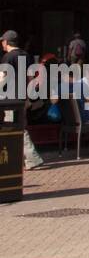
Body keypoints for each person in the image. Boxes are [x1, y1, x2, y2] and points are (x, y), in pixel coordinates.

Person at [0, 30, 43, 169]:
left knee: (15, 128)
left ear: (6, 42)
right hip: (22, 97)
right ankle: (21, 159)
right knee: (19, 126)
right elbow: (30, 78)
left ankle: (32, 158)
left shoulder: (8, 57)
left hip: (10, 99)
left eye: (2, 41)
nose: (2, 44)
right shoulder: (26, 55)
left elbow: (2, 78)